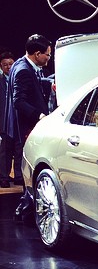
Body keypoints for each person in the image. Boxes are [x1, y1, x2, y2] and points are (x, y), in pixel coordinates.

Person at [5, 34, 52, 219]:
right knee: (30, 170)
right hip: (28, 129)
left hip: (25, 128)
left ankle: (27, 208)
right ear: (37, 53)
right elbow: (19, 101)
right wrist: (40, 116)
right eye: (47, 55)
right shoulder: (24, 70)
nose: (49, 58)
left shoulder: (21, 64)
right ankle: (26, 210)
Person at [0, 51, 15, 188]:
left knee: (17, 149)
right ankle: (3, 177)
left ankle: (18, 176)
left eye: (11, 64)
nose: (8, 67)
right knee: (5, 151)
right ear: (1, 66)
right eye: (5, 65)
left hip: (16, 120)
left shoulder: (18, 78)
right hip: (3, 121)